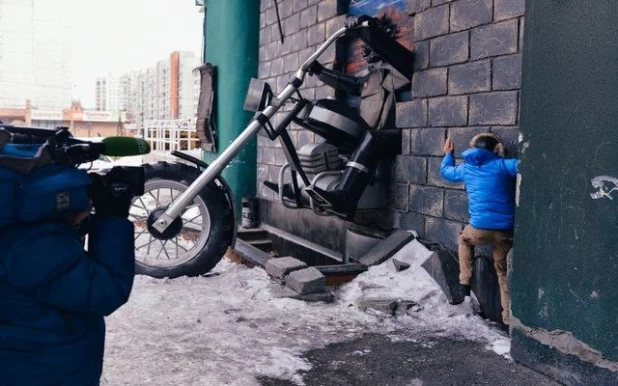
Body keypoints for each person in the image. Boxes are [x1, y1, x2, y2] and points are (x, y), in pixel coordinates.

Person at [0, 172, 136, 385]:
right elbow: (105, 291)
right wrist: (112, 218)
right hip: (43, 370)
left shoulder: (18, 234)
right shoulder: (33, 247)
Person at [440, 133, 519, 325]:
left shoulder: (467, 168)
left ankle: (465, 287)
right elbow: (527, 165)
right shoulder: (503, 165)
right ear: (496, 149)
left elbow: (446, 171)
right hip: (505, 232)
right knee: (502, 271)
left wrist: (448, 153)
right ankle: (508, 318)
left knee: (464, 240)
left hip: (479, 230)